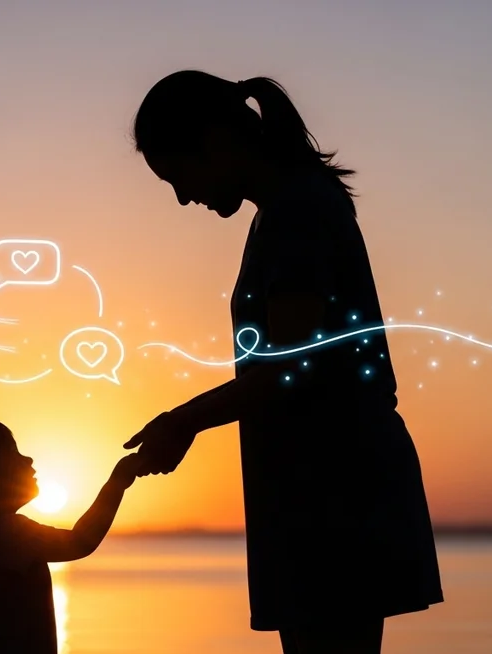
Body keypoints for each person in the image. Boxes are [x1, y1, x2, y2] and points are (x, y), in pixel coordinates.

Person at [125, 70, 444, 653]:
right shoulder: (284, 212)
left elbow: (288, 370)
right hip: (314, 490)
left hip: (333, 497)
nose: (182, 196)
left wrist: (183, 420)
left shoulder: (298, 213)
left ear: (217, 143)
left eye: (179, 175)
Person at [0, 417, 142, 654]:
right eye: (12, 454)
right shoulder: (6, 532)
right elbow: (80, 541)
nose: (28, 459)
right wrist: (117, 484)